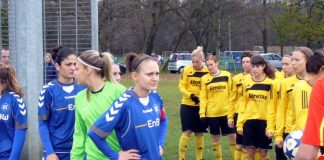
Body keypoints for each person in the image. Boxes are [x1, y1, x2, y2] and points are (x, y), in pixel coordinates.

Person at [88, 53, 168, 159]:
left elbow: (163, 120)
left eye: (157, 74)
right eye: (150, 74)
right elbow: (95, 133)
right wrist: (116, 156)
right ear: (134, 76)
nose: (155, 78)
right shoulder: (123, 103)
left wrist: (160, 144)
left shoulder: (155, 97)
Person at [71, 50, 126, 160]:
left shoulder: (118, 91)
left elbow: (133, 128)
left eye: (77, 68)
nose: (74, 72)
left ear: (88, 70)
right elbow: (80, 134)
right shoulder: (80, 98)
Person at [38, 46, 85, 160]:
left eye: (75, 64)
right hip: (57, 152)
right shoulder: (48, 90)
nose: (73, 68)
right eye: (68, 64)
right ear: (57, 66)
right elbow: (42, 123)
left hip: (80, 150)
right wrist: (49, 152)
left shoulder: (84, 89)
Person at [237, 55, 277, 160]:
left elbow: (272, 106)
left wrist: (271, 127)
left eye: (257, 67)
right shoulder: (246, 81)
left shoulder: (271, 83)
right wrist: (240, 124)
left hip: (264, 121)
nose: (254, 69)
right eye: (253, 66)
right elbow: (243, 104)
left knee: (263, 153)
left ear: (263, 66)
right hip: (249, 121)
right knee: (249, 152)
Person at [200, 54, 235, 159]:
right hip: (212, 114)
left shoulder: (227, 75)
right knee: (215, 138)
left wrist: (232, 110)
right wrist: (202, 113)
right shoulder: (205, 78)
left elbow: (232, 94)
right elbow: (203, 97)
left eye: (211, 64)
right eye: (207, 65)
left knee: (233, 137)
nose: (209, 67)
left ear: (217, 63)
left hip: (226, 113)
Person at [178, 46, 209, 160]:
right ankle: (181, 157)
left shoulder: (207, 71)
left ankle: (199, 158)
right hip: (187, 105)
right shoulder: (186, 70)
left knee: (199, 133)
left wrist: (201, 98)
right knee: (187, 131)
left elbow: (208, 88)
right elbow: (181, 86)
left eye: (197, 61)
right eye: (193, 62)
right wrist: (190, 95)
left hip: (201, 107)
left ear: (202, 60)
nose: (195, 64)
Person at [296, 51, 324, 160]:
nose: (306, 78)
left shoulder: (320, 86)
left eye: (311, 73)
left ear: (322, 69)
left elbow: (306, 155)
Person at [228, 51, 252, 160]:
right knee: (239, 143)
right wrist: (230, 117)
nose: (245, 64)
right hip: (239, 115)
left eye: (248, 61)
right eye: (243, 62)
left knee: (253, 146)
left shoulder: (260, 78)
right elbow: (232, 99)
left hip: (254, 115)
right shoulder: (236, 79)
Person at [0, 63, 27, 159]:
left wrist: (13, 158)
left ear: (2, 82)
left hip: (6, 156)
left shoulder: (15, 100)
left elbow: (21, 131)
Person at [274, 53, 296, 160]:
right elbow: (279, 109)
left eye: (287, 64)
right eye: (282, 64)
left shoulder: (307, 81)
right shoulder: (280, 83)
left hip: (301, 129)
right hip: (285, 129)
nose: (283, 67)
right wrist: (278, 133)